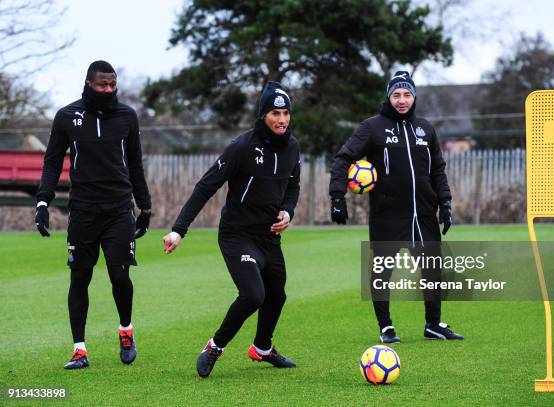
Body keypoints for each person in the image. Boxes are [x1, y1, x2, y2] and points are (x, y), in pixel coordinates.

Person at [163, 81, 301, 378]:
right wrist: (179, 230)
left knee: (277, 296)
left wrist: (288, 211)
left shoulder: (292, 147)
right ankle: (215, 346)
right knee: (253, 295)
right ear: (264, 114)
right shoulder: (242, 147)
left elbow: (293, 185)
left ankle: (262, 348)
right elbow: (206, 186)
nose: (282, 119)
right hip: (237, 236)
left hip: (270, 237)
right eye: (275, 113)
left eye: (286, 113)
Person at [329, 71, 463, 343]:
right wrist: (337, 196)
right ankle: (386, 327)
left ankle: (433, 324)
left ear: (414, 97)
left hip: (424, 213)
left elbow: (437, 169)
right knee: (382, 271)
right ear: (388, 97)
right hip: (388, 214)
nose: (402, 100)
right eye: (396, 95)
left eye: (407, 94)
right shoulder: (372, 127)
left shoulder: (425, 128)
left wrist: (446, 202)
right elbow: (343, 158)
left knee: (433, 269)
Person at [35, 61, 152, 369]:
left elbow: (136, 165)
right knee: (80, 277)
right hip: (83, 210)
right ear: (88, 83)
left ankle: (126, 330)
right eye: (103, 85)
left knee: (119, 275)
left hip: (118, 209)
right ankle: (79, 349)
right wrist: (43, 203)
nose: (109, 90)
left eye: (113, 85)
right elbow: (51, 163)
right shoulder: (66, 117)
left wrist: (146, 206)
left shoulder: (127, 116)